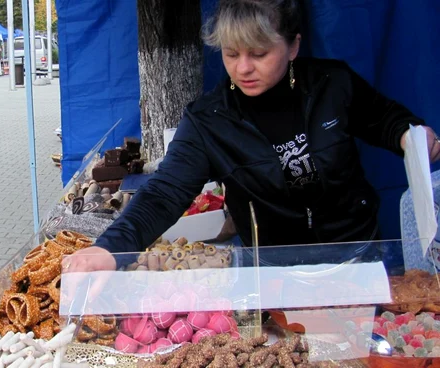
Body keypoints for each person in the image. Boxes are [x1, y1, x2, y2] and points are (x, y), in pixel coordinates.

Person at [64, 0, 440, 273]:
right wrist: (110, 248)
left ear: (293, 45)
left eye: (259, 53)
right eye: (231, 54)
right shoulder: (208, 119)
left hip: (360, 256)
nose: (243, 69)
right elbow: (164, 193)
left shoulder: (333, 83)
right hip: (272, 270)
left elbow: (387, 120)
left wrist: (411, 137)